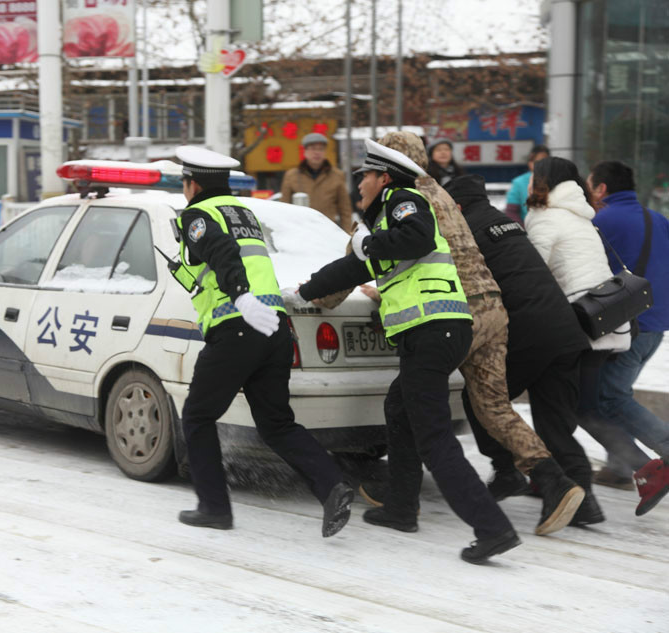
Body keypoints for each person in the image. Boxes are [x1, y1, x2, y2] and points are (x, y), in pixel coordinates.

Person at [328, 131, 583, 536]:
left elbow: (361, 257)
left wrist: (318, 296)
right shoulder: (444, 195)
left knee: (409, 404)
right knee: (493, 407)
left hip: (452, 313)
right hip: (493, 311)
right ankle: (554, 480)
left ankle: (406, 499)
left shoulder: (399, 198)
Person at [298, 139, 520, 564]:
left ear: (383, 178)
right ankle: (400, 507)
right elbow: (354, 267)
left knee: (435, 439)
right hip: (439, 331)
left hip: (432, 331)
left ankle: (493, 528)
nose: (359, 183)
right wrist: (305, 290)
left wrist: (371, 246)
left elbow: (415, 238)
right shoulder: (385, 225)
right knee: (399, 408)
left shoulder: (405, 200)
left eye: (364, 176)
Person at [171, 146, 355, 536]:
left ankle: (214, 507)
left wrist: (239, 295)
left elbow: (223, 255)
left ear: (193, 184)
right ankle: (332, 486)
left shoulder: (198, 214)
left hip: (237, 325)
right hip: (274, 328)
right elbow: (230, 260)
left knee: (198, 417)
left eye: (185, 183)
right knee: (275, 422)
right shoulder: (244, 214)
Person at [445, 174, 603, 526]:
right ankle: (585, 504)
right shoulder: (506, 222)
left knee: (485, 401)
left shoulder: (463, 231)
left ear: (454, 205)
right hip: (565, 330)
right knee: (553, 422)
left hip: (527, 332)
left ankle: (508, 472)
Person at [524, 156, 635, 524]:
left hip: (571, 329)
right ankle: (557, 484)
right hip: (604, 327)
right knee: (564, 411)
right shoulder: (581, 215)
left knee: (555, 413)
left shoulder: (544, 217)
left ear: (544, 181)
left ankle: (578, 496)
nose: (528, 181)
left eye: (533, 175)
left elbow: (530, 274)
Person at [585, 161, 669, 516]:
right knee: (614, 391)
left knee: (608, 397)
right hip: (656, 324)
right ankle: (620, 467)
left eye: (590, 187)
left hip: (628, 327)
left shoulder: (602, 221)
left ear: (601, 189)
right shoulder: (658, 219)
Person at [280, 132, 354, 232]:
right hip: (300, 230)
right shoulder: (292, 175)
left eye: (321, 149)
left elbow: (345, 209)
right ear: (305, 151)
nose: (317, 153)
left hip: (328, 229)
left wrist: (347, 234)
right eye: (313, 149)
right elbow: (284, 207)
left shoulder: (337, 175)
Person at [505, 145, 550, 223]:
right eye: (536, 162)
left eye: (544, 162)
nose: (540, 166)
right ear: (529, 163)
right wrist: (522, 231)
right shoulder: (519, 182)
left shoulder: (556, 179)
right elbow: (511, 211)